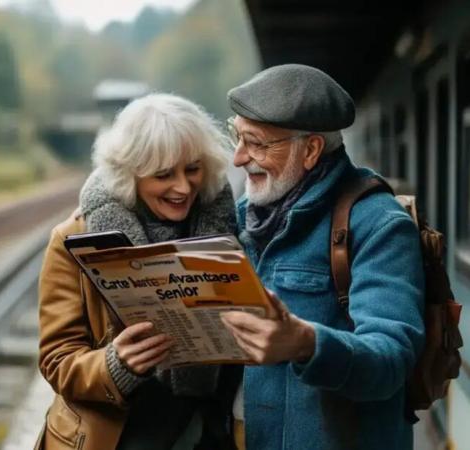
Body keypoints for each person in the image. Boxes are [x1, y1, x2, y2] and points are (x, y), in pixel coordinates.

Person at [219, 64, 425, 450]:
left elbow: (392, 358)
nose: (238, 158)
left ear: (311, 149)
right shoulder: (244, 214)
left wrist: (307, 344)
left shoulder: (378, 224)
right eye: (237, 136)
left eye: (257, 143)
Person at [37, 93, 238, 450]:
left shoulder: (226, 229)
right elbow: (57, 360)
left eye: (193, 168)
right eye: (163, 175)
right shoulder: (72, 239)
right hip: (114, 437)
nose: (183, 186)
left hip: (202, 434)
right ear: (128, 175)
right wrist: (115, 365)